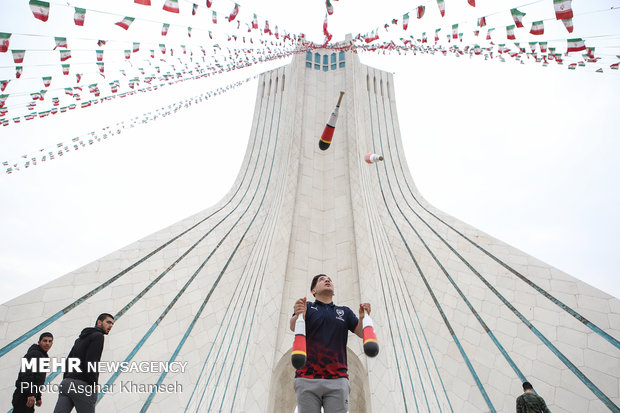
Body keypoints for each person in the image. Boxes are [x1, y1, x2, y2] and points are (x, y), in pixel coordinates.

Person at [290, 274, 371, 413]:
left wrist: (364, 318)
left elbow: (362, 333)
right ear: (313, 291)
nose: (327, 280)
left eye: (329, 279)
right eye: (322, 279)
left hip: (337, 380)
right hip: (307, 378)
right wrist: (298, 313)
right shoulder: (307, 307)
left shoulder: (344, 312)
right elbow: (293, 326)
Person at [53, 313, 114, 413]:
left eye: (112, 324)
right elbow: (92, 361)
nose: (110, 326)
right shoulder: (98, 336)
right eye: (108, 322)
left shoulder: (80, 339)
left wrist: (67, 378)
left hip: (67, 384)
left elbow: (69, 361)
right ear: (99, 322)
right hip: (82, 385)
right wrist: (93, 384)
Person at [12, 332, 54, 413]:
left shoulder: (42, 355)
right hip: (23, 395)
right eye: (45, 341)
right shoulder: (34, 354)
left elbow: (38, 379)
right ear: (39, 342)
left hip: (28, 394)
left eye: (50, 341)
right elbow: (28, 375)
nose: (47, 343)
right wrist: (31, 394)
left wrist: (38, 396)